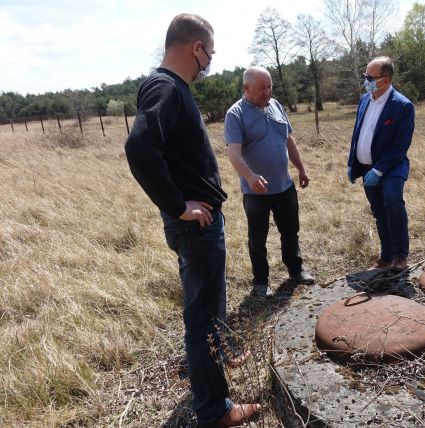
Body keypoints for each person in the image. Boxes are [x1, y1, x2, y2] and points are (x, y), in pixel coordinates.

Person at [124, 14, 260, 428]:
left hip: (199, 223)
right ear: (195, 48)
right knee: (200, 316)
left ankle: (215, 362)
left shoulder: (171, 87)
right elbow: (139, 147)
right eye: (210, 53)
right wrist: (178, 205)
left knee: (209, 304)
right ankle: (214, 408)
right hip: (194, 224)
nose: (210, 61)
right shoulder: (165, 86)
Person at [224, 66, 314, 298]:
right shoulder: (236, 114)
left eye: (270, 86)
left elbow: (288, 140)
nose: (268, 92)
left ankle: (296, 270)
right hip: (256, 192)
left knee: (290, 231)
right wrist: (250, 176)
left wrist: (301, 169)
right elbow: (233, 153)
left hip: (284, 186)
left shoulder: (276, 105)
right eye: (262, 88)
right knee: (257, 238)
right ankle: (261, 282)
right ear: (246, 88)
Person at [347, 56, 415, 272]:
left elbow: (400, 145)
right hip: (367, 169)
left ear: (385, 80)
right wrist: (353, 163)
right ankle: (386, 256)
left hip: (392, 167)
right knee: (378, 211)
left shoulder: (402, 106)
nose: (366, 80)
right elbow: (358, 134)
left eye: (370, 77)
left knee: (393, 201)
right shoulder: (365, 100)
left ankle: (400, 256)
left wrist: (379, 169)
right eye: (365, 76)